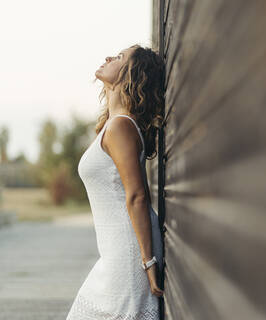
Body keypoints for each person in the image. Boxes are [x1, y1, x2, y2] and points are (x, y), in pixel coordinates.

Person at [66, 44, 165, 319]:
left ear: (131, 75)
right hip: (116, 252)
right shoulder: (114, 124)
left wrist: (148, 262)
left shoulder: (121, 126)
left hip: (131, 253)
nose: (109, 57)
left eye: (120, 57)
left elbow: (137, 196)